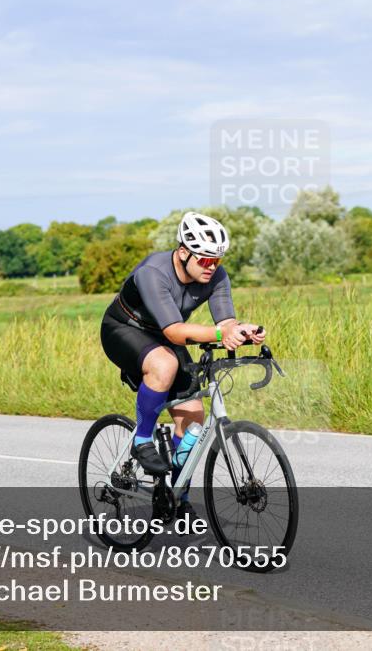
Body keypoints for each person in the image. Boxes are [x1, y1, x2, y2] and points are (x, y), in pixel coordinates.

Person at [100, 212, 266, 522]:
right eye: (205, 260)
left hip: (165, 332)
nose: (212, 267)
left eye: (216, 260)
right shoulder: (154, 272)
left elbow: (225, 321)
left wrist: (243, 330)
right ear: (183, 252)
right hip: (125, 329)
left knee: (192, 421)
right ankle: (142, 440)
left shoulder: (217, 276)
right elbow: (176, 332)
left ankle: (176, 497)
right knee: (164, 363)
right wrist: (220, 334)